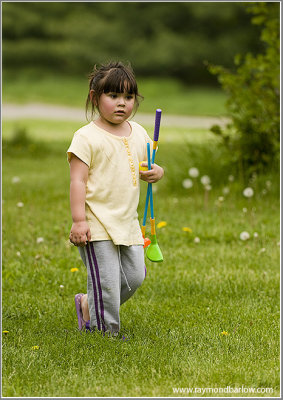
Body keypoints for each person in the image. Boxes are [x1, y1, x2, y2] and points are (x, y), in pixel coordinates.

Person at [67, 61, 164, 335]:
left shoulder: (139, 133)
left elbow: (147, 166)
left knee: (134, 276)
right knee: (107, 282)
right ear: (95, 98)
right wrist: (78, 221)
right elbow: (78, 181)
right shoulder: (86, 137)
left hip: (127, 221)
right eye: (113, 96)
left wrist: (156, 171)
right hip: (96, 223)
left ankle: (88, 304)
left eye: (128, 97)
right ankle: (105, 333)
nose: (122, 103)